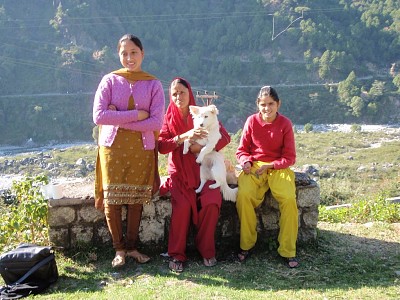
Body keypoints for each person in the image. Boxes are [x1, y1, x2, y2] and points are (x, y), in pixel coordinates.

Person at [92, 34, 165, 268]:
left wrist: (117, 117)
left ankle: (132, 247)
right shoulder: (110, 81)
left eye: (134, 52)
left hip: (142, 149)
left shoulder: (153, 84)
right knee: (111, 200)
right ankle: (119, 250)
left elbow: (155, 123)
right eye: (124, 53)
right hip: (112, 149)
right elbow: (99, 116)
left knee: (136, 200)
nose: (129, 57)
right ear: (118, 55)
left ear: (142, 54)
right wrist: (136, 115)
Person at [158, 77, 231, 272]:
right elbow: (162, 146)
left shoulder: (202, 113)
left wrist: (199, 147)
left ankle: (206, 249)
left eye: (182, 92)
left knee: (212, 200)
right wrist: (184, 137)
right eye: (174, 93)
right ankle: (177, 254)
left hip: (204, 170)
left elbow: (225, 137)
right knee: (181, 207)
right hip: (180, 173)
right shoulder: (169, 117)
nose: (178, 96)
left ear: (190, 92)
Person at [235, 85, 299, 268]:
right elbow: (241, 151)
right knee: (244, 195)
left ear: (278, 104)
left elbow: (290, 157)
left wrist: (273, 165)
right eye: (263, 104)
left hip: (278, 167)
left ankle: (287, 250)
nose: (267, 108)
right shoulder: (251, 121)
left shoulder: (285, 124)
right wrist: (245, 161)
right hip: (255, 167)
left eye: (271, 104)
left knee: (288, 199)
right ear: (258, 104)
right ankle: (246, 245)